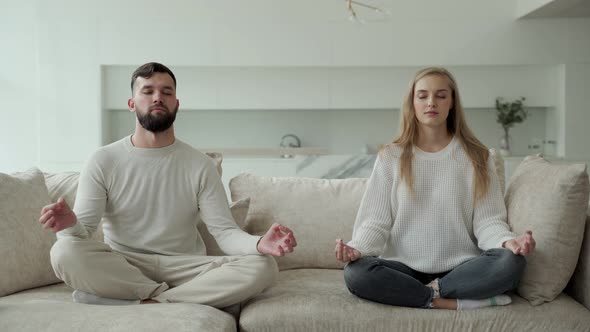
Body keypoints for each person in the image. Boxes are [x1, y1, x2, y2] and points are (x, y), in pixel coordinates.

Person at [39, 62, 296, 308]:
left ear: (176, 104)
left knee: (263, 266)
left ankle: (146, 300)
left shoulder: (200, 164)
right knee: (63, 252)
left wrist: (258, 243)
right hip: (125, 264)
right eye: (147, 91)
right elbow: (82, 234)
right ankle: (177, 298)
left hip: (186, 266)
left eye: (166, 92)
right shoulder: (103, 159)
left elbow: (225, 232)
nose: (157, 97)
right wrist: (69, 225)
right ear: (131, 103)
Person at [334, 67, 535, 310]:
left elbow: (488, 221)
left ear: (452, 103)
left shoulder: (477, 156)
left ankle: (426, 295)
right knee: (357, 273)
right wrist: (357, 249)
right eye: (422, 96)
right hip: (404, 268)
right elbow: (376, 221)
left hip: (461, 267)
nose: (431, 102)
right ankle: (449, 302)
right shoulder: (391, 156)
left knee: (511, 263)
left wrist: (507, 242)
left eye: (441, 95)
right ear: (413, 103)